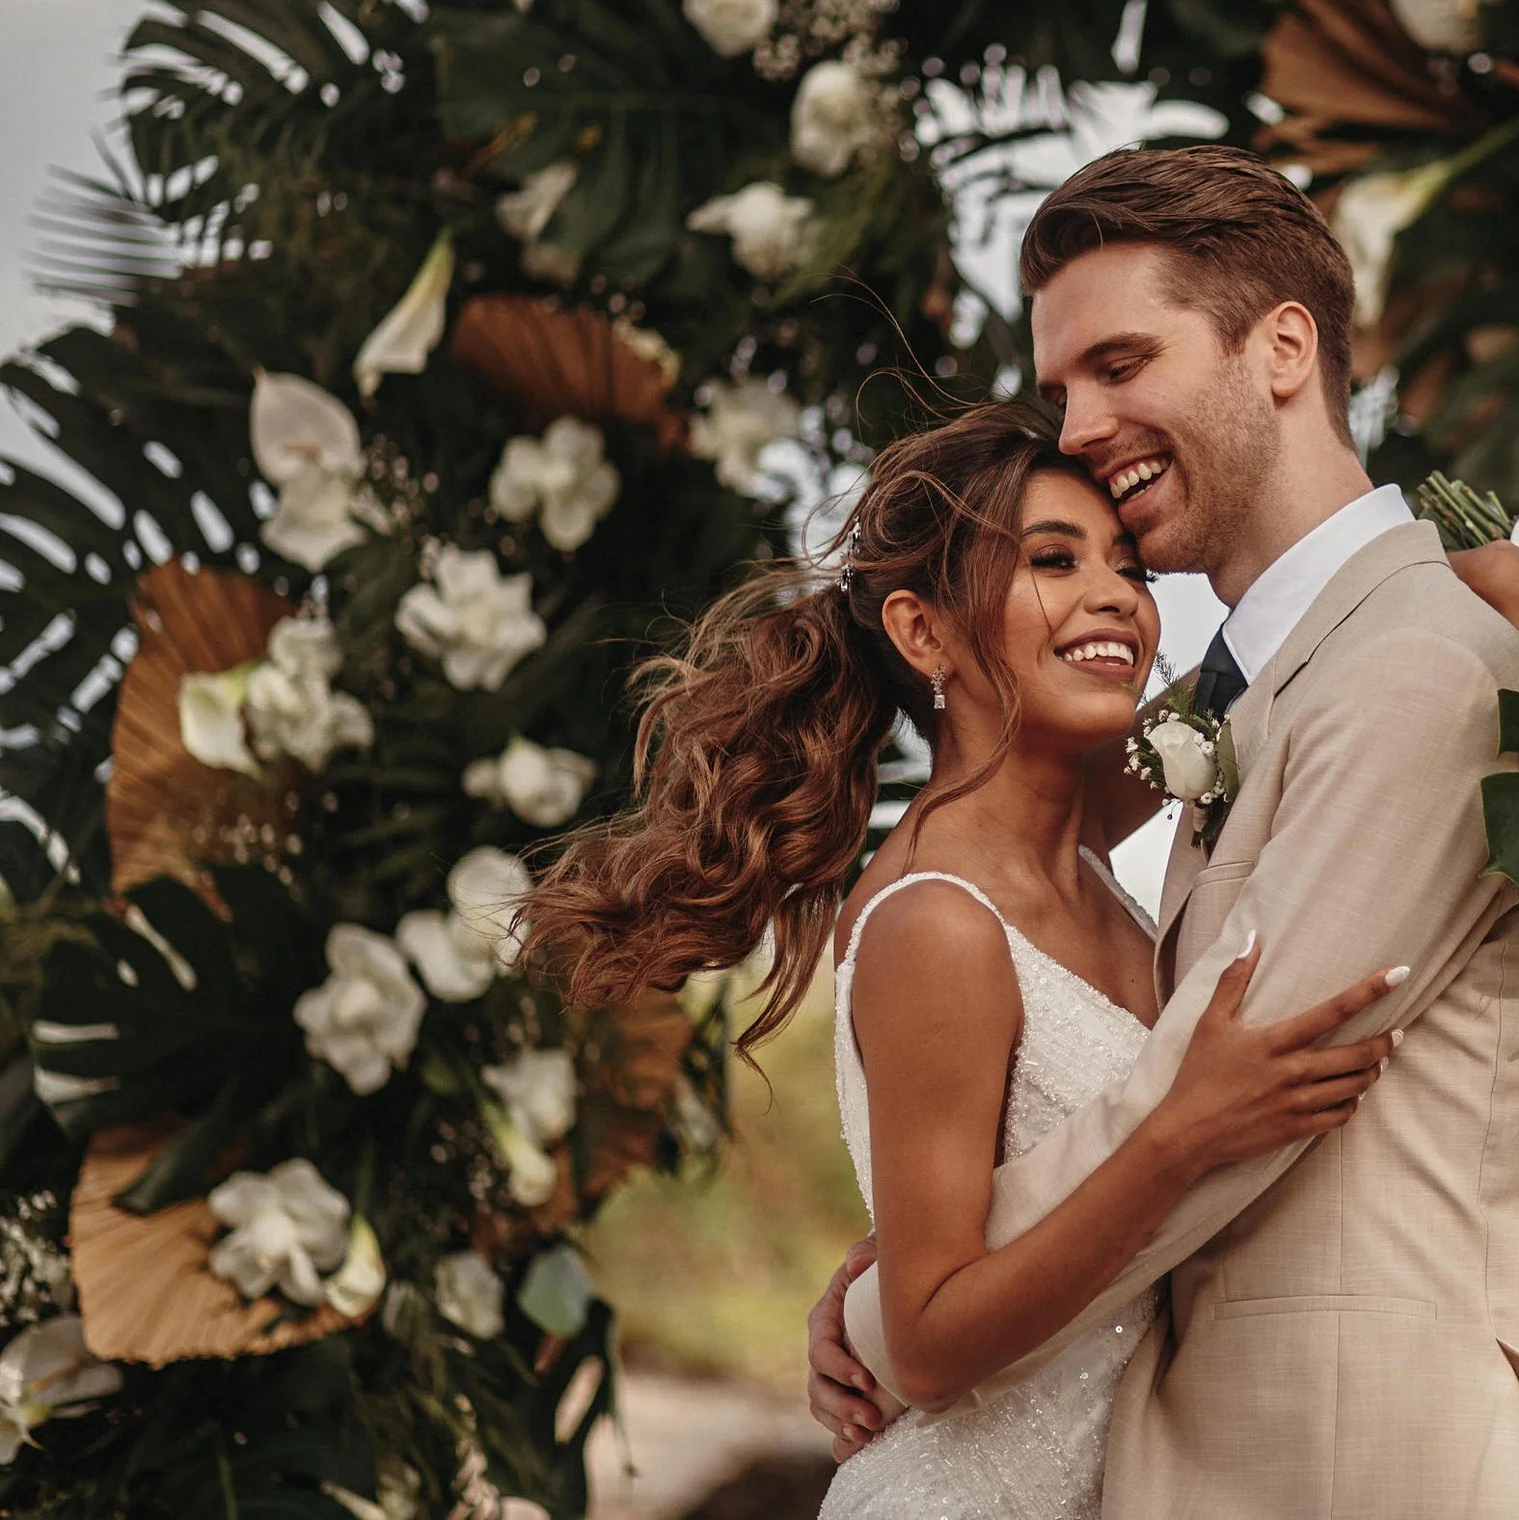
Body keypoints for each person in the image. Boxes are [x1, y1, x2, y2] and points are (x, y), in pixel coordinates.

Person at [808, 148, 1519, 1520]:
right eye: (1064, 385)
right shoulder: (1259, 692)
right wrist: (922, 1246)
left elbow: (1238, 1090)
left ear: (1285, 348)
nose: (1079, 426)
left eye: (1122, 362)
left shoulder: (1418, 665)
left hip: (1373, 1459)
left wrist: (911, 1310)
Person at [525, 403, 1406, 1519]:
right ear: (924, 632)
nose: (1114, 598)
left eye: (1127, 567)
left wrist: (1465, 572)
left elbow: (1293, 645)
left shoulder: (1085, 842)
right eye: (1051, 559)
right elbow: (935, 1344)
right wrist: (1183, 1131)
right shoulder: (935, 921)